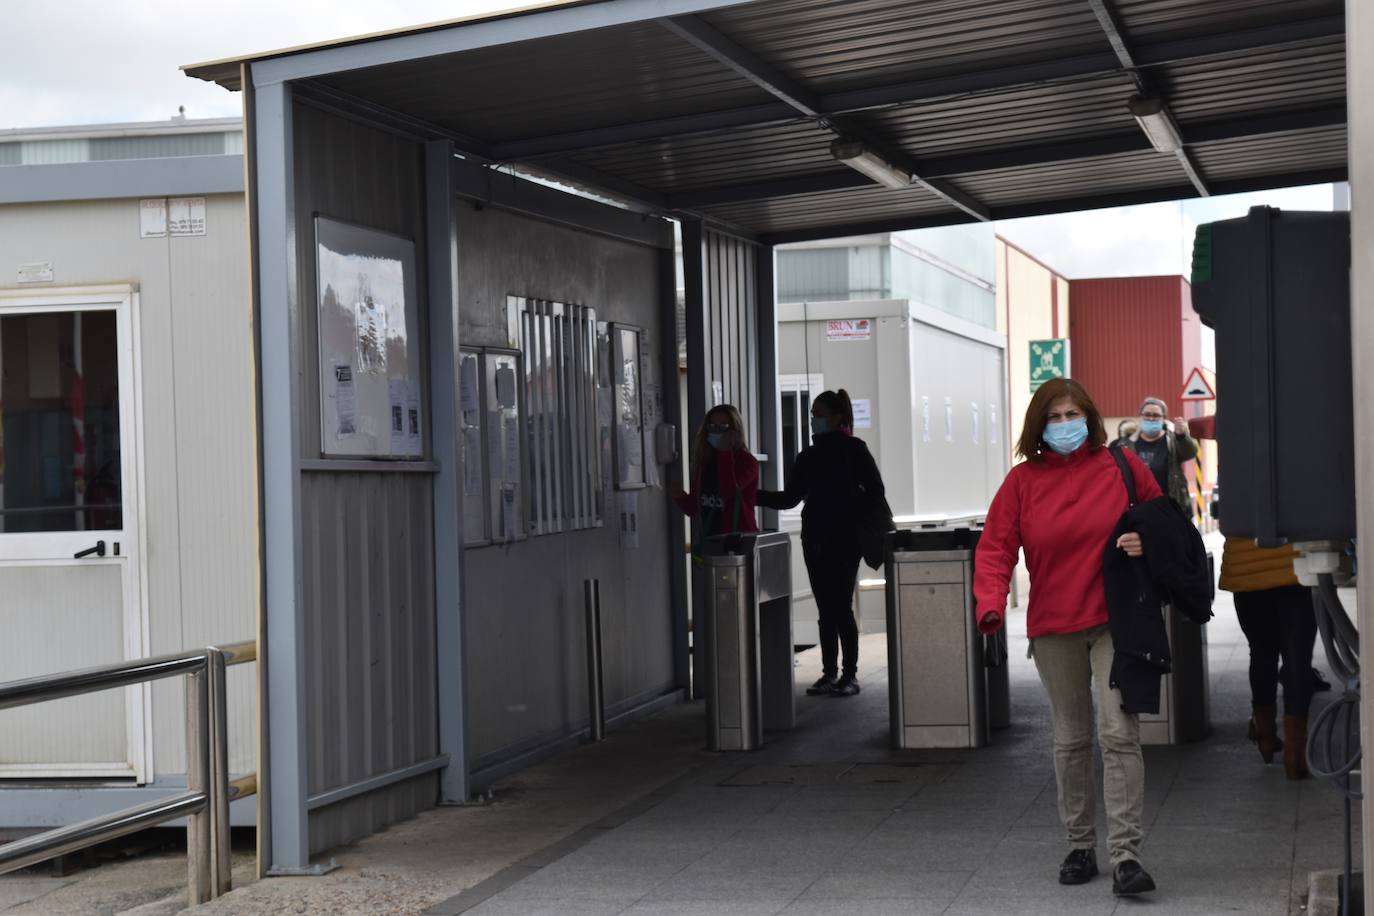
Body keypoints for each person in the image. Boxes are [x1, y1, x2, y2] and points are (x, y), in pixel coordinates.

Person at [975, 378, 1163, 898]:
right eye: (1053, 418)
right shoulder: (1022, 482)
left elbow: (1165, 520)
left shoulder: (1122, 467)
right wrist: (990, 603)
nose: (1064, 426)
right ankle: (1081, 845)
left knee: (1118, 732)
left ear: (1089, 417)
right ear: (1039, 426)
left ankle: (1126, 855)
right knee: (1071, 738)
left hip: (1114, 621)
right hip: (1054, 626)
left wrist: (1144, 540)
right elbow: (995, 548)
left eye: (1071, 415)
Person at [758, 389, 884, 698]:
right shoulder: (809, 456)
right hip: (817, 540)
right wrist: (753, 495)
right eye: (812, 414)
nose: (813, 420)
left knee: (839, 606)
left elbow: (876, 491)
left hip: (842, 541)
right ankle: (832, 673)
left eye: (818, 414)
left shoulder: (853, 450)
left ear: (837, 417)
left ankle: (848, 674)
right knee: (828, 608)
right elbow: (790, 498)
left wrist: (847, 501)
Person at [672, 404, 759, 540]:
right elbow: (695, 508)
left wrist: (725, 453)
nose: (717, 432)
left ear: (735, 431)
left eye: (723, 427)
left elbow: (728, 492)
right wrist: (679, 496)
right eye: (712, 427)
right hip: (710, 539)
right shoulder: (705, 460)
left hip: (739, 540)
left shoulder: (747, 462)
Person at [1124, 397, 1198, 515]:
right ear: (1140, 416)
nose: (1151, 418)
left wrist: (1181, 436)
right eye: (1147, 414)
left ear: (1164, 419)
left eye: (1156, 415)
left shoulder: (1173, 441)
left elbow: (1190, 452)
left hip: (1170, 507)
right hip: (1138, 509)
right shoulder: (1127, 444)